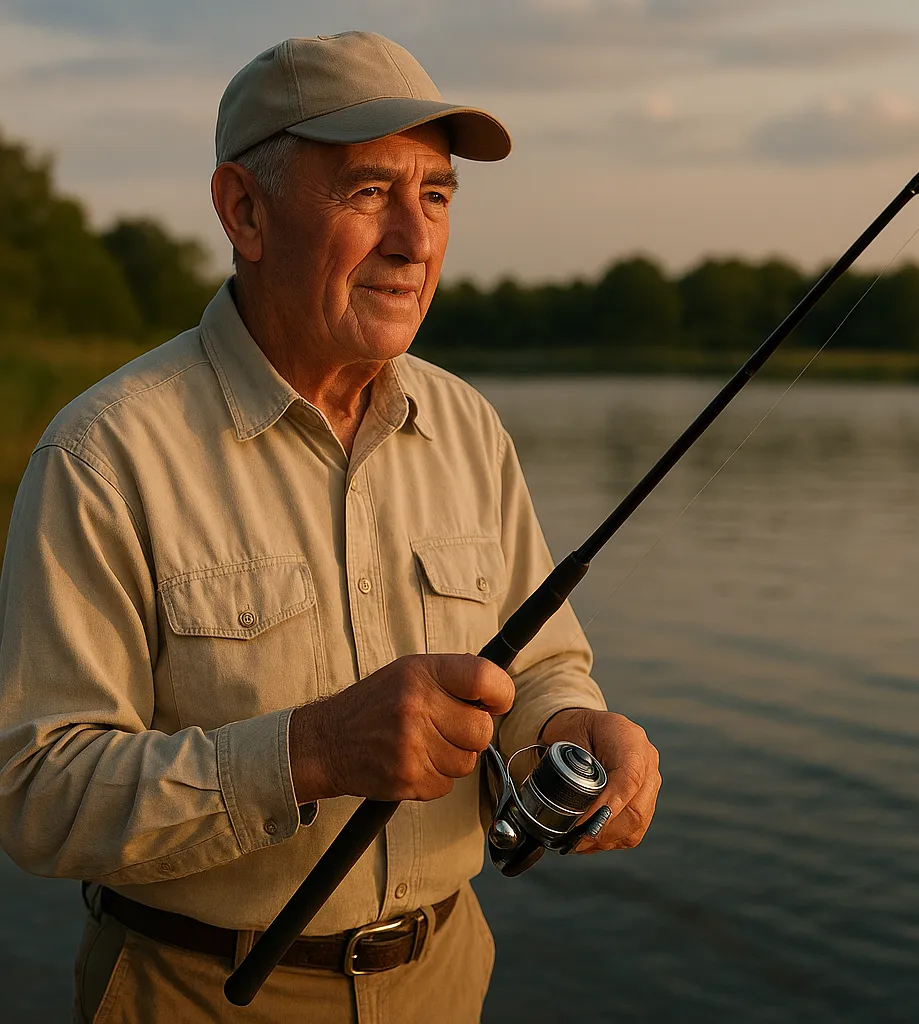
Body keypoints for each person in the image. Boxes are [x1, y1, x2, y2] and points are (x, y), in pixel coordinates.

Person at [0, 31, 661, 1024]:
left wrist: (570, 729)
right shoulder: (101, 453)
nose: (414, 240)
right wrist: (308, 751)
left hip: (445, 979)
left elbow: (540, 668)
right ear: (244, 211)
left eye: (435, 195)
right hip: (194, 993)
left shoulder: (470, 427)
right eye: (368, 191)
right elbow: (36, 793)